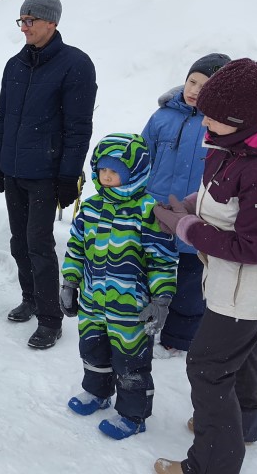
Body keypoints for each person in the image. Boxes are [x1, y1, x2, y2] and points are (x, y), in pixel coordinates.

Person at [153, 59, 257, 474]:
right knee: (241, 353)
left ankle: (213, 464)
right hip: (236, 282)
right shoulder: (236, 137)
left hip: (250, 286)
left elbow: (252, 248)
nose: (205, 122)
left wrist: (187, 228)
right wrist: (194, 204)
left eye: (213, 116)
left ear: (242, 119)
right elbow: (227, 193)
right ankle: (241, 426)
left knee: (207, 366)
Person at [0, 0, 97, 350]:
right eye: (22, 20)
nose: (24, 27)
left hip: (46, 174)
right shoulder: (15, 65)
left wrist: (68, 175)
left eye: (30, 20)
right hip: (15, 171)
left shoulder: (75, 65)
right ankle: (31, 298)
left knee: (39, 244)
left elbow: (78, 128)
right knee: (19, 242)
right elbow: (4, 118)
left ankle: (51, 320)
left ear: (52, 21)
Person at [60, 133, 177, 440]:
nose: (107, 176)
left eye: (115, 170)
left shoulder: (148, 211)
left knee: (131, 363)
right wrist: (70, 281)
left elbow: (161, 260)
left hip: (131, 310)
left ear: (135, 171)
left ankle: (133, 415)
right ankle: (97, 393)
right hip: (93, 303)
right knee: (93, 350)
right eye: (103, 169)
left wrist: (161, 298)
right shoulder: (90, 208)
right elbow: (76, 249)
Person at [141, 53, 230, 358]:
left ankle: (178, 338)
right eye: (192, 81)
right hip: (157, 213)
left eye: (205, 87)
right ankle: (142, 324)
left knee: (191, 282)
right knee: (151, 271)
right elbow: (142, 157)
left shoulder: (220, 126)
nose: (194, 90)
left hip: (197, 216)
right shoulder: (163, 117)